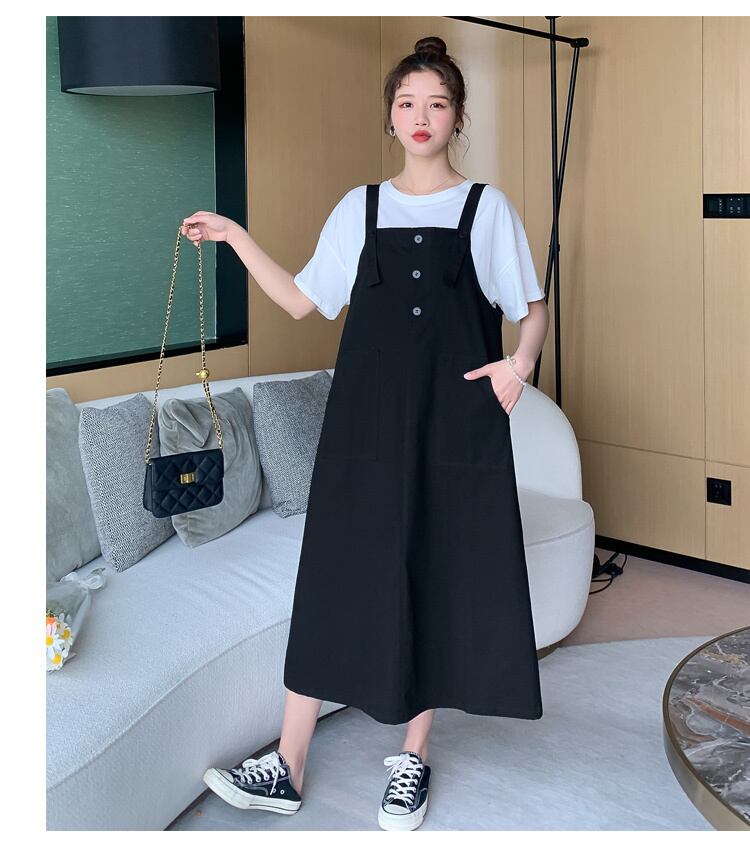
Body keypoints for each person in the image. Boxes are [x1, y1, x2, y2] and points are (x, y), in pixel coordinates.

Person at [184, 35, 549, 832]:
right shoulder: (361, 208)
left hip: (454, 425)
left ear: (457, 117)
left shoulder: (486, 208)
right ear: (390, 116)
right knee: (334, 573)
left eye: (437, 103)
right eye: (407, 102)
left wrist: (519, 365)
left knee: (436, 568)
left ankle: (412, 755)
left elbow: (531, 306)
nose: (421, 116)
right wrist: (237, 236)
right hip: (363, 427)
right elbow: (302, 301)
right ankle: (287, 763)